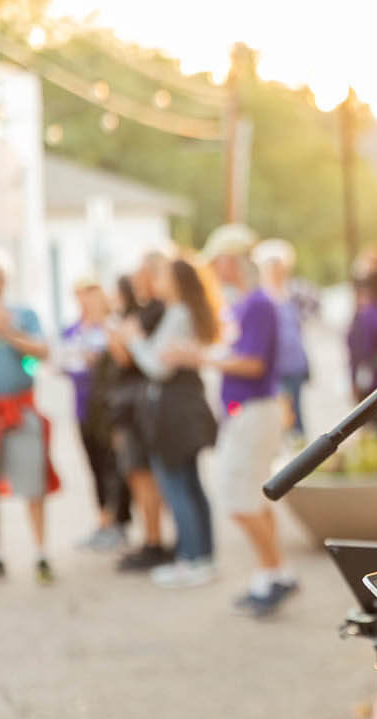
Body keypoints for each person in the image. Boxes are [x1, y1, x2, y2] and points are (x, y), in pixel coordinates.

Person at [169, 224, 293, 617]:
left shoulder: (257, 303)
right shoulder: (245, 303)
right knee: (253, 497)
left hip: (252, 410)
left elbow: (253, 364)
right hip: (246, 411)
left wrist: (200, 358)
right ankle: (273, 573)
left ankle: (273, 573)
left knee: (239, 500)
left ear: (231, 261)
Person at [123, 256, 220, 588]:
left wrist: (134, 338)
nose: (157, 282)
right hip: (186, 408)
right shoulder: (188, 312)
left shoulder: (178, 313)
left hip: (172, 411)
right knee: (191, 484)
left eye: (162, 276)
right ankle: (203, 557)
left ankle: (190, 559)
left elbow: (157, 366)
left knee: (177, 486)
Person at [0, 258, 56, 583]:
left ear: (4, 282)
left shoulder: (24, 314)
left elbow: (42, 352)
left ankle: (41, 554)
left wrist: (9, 331)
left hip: (20, 410)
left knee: (33, 483)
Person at [109, 260, 173, 572]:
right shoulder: (141, 314)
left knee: (144, 474)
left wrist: (117, 335)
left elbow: (123, 356)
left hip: (138, 405)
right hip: (128, 405)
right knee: (136, 474)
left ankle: (154, 541)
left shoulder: (155, 311)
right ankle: (150, 538)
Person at [60, 277, 130, 551]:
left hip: (111, 408)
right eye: (81, 294)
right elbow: (61, 361)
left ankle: (118, 523)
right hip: (83, 407)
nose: (86, 299)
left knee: (115, 465)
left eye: (90, 293)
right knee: (96, 466)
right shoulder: (72, 330)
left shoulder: (112, 326)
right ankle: (103, 521)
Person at [252, 239, 311, 443]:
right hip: (274, 367)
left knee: (296, 413)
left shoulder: (292, 294)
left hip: (294, 363)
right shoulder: (261, 298)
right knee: (280, 415)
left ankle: (299, 447)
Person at [346, 268, 377, 434]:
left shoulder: (366, 314)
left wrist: (353, 377)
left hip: (369, 375)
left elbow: (360, 350)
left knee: (371, 423)